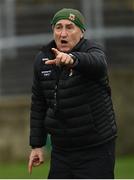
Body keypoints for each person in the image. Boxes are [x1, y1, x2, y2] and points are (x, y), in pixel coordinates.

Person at [28, 8, 117, 179]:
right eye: (58, 27)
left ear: (81, 32)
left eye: (70, 27)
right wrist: (37, 145)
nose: (63, 33)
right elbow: (39, 104)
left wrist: (74, 60)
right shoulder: (42, 59)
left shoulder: (92, 50)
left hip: (96, 148)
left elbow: (99, 64)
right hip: (62, 150)